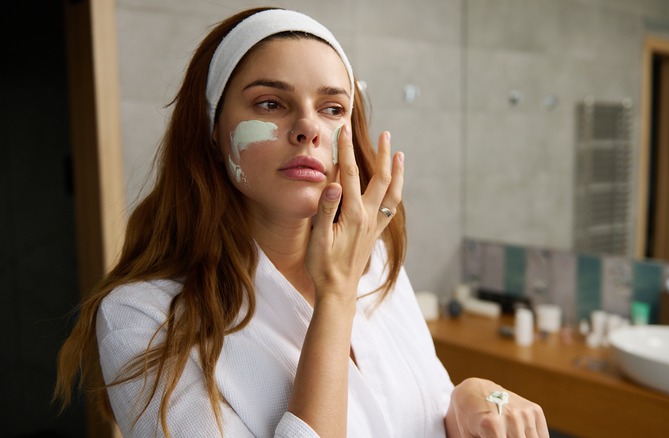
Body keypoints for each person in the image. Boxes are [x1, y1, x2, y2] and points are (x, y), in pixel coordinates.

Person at [55, 7, 549, 438]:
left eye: (333, 108)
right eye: (271, 103)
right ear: (211, 130)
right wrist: (333, 299)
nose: (309, 128)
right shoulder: (144, 317)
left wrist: (468, 396)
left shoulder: (374, 263)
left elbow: (424, 410)